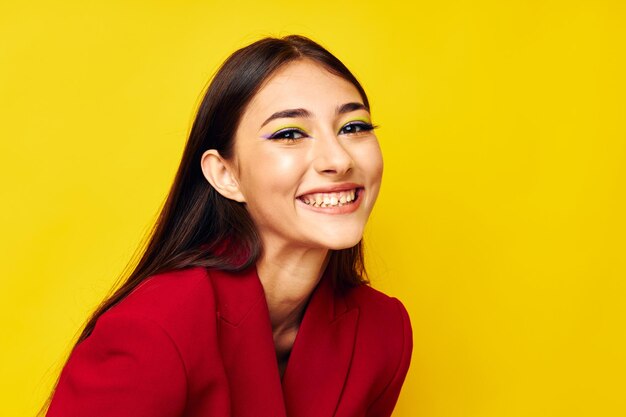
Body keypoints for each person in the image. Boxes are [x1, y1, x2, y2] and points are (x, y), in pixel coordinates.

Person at [44, 34, 412, 417]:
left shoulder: (383, 331)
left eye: (353, 127)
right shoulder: (155, 328)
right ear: (225, 175)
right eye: (289, 134)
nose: (338, 159)